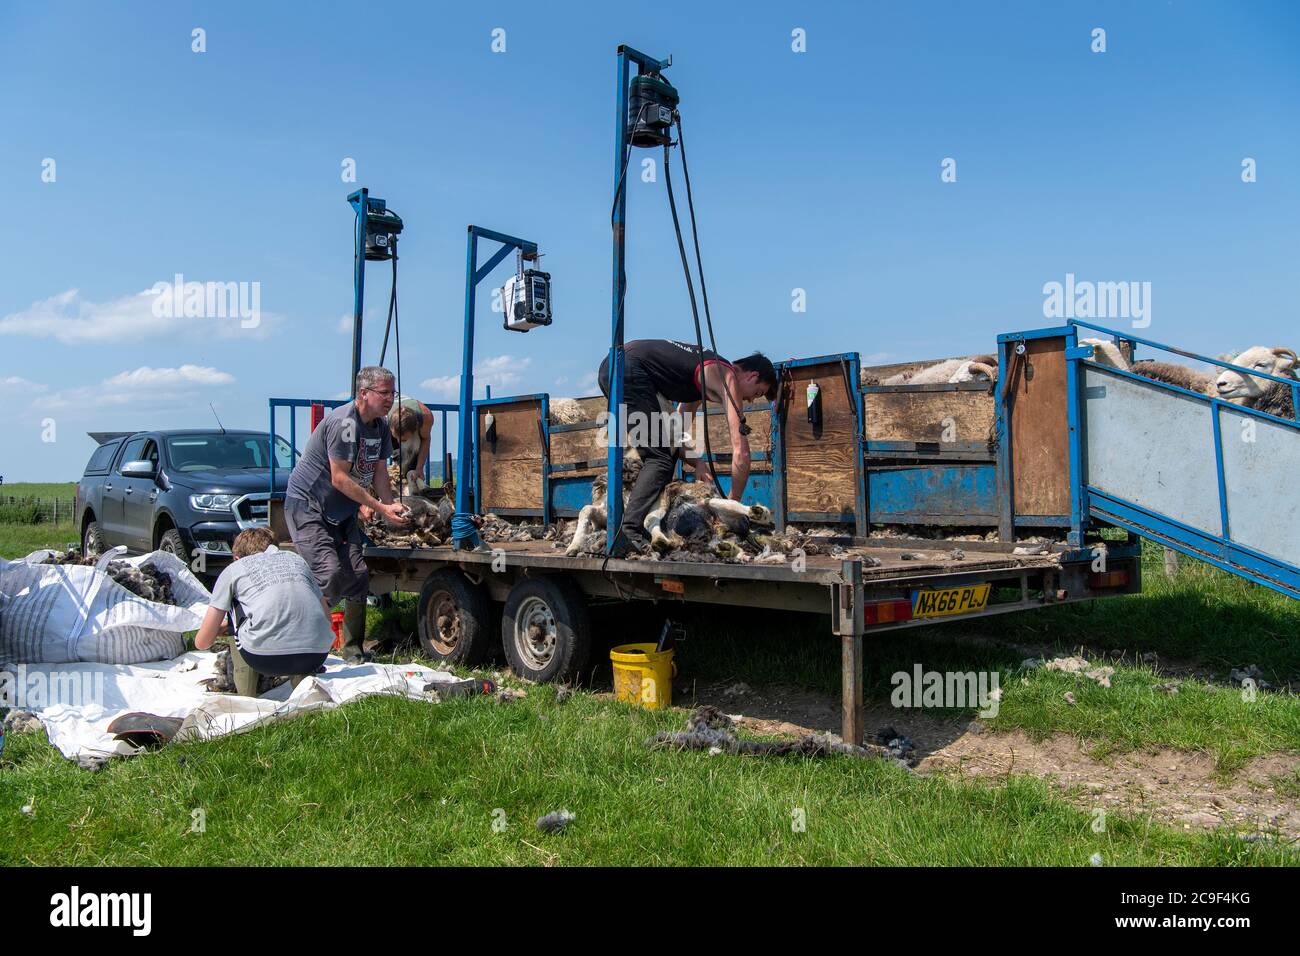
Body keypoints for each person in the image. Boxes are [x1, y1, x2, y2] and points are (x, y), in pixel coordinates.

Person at [597, 339, 779, 556]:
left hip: (613, 368)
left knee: (664, 454)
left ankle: (647, 524)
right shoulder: (726, 377)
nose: (749, 400)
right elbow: (742, 451)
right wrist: (733, 505)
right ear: (752, 376)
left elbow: (676, 435)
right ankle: (629, 530)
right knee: (660, 459)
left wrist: (698, 463)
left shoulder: (703, 378)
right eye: (757, 393)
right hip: (628, 368)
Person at [283, 365, 410, 662]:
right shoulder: (344, 424)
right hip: (309, 507)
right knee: (328, 574)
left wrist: (390, 506)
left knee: (357, 576)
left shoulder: (379, 427)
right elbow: (339, 478)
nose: (391, 399)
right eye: (384, 393)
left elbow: (379, 471)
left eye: (393, 392)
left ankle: (352, 649)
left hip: (342, 513)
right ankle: (301, 644)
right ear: (363, 393)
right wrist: (377, 506)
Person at [194, 527, 335, 696]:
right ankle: (306, 687)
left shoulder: (235, 569)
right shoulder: (297, 561)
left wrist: (228, 627)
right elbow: (327, 618)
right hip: (316, 654)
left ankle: (247, 693)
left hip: (264, 659)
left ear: (236, 557)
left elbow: (202, 643)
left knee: (234, 603)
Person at [386, 395, 434, 492]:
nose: (399, 442)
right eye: (397, 438)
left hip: (415, 420)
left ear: (415, 430)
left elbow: (425, 439)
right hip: (389, 420)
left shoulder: (426, 417)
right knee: (398, 465)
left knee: (412, 463)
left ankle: (412, 483)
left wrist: (419, 467)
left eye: (403, 440)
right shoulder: (380, 419)